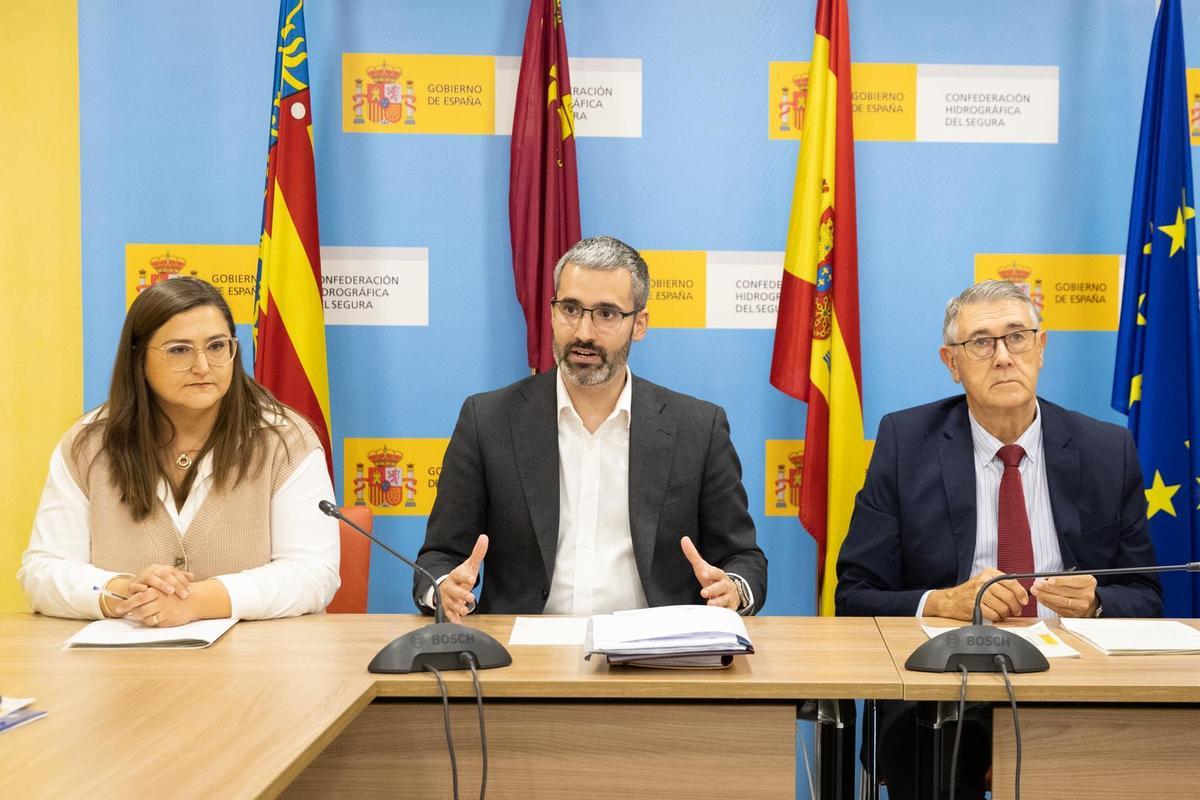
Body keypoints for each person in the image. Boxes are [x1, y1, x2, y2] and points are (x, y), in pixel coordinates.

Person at [835, 279, 1161, 798]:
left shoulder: (1107, 450)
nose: (1004, 357)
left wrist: (1097, 602)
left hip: (1077, 684)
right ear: (951, 362)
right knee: (927, 750)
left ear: (1042, 346)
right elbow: (853, 596)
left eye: (1018, 337)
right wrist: (943, 602)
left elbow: (1146, 595)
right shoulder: (906, 443)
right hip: (944, 686)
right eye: (981, 343)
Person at [414, 235, 766, 619]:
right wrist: (443, 588)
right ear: (551, 313)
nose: (583, 332)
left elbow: (741, 557)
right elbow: (440, 556)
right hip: (524, 655)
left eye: (606, 314)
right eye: (570, 309)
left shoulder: (697, 428)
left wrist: (732, 588)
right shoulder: (488, 420)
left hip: (656, 653)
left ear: (640, 324)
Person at [19, 277, 340, 627]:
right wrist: (124, 590)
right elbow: (42, 571)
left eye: (217, 346)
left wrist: (196, 601)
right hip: (123, 669)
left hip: (257, 666)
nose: (202, 366)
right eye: (179, 350)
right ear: (138, 358)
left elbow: (313, 574)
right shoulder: (89, 445)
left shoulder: (283, 440)